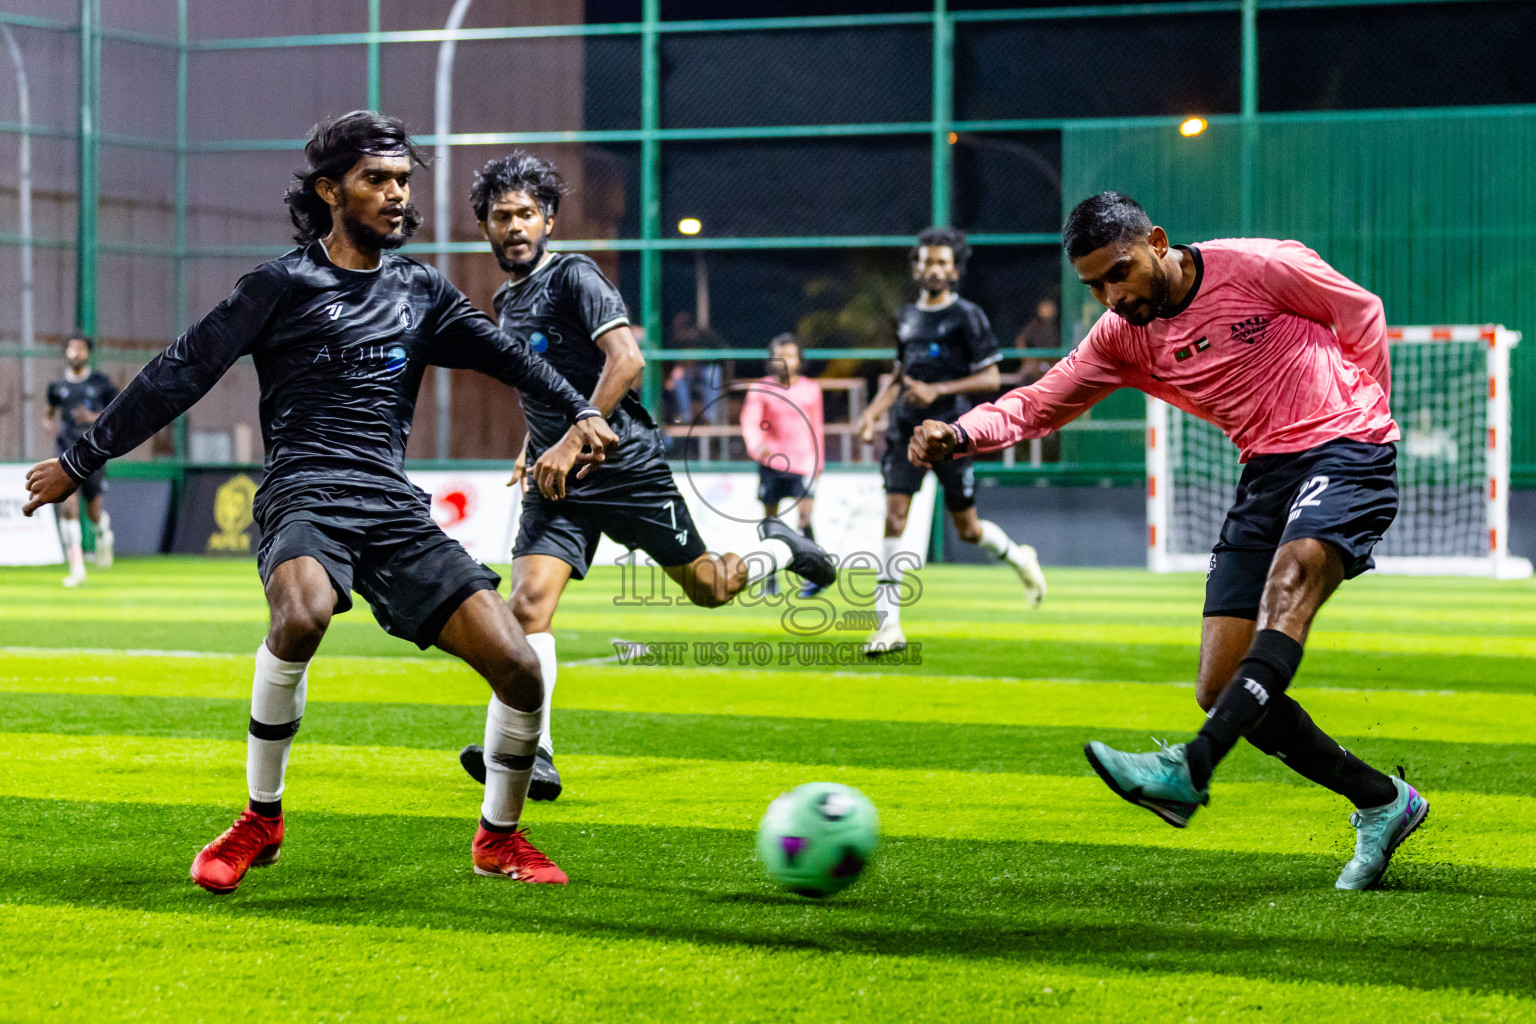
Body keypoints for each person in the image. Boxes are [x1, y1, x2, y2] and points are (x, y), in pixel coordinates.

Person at [22, 111, 620, 892]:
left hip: (390, 505)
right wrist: (81, 457)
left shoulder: (422, 292)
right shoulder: (279, 286)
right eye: (379, 179)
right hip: (304, 491)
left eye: (405, 180)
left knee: (517, 665)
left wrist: (580, 411)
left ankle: (499, 838)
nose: (398, 195)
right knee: (300, 611)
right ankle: (260, 818)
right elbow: (180, 371)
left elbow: (509, 358)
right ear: (332, 190)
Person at [909, 191, 1425, 890]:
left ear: (1157, 241)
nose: (1111, 295)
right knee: (1219, 685)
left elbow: (1359, 311)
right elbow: (1038, 403)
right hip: (1265, 473)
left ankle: (1191, 768)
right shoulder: (1121, 337)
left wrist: (1367, 415)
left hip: (1347, 447)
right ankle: (1381, 801)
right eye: (1094, 284)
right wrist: (962, 433)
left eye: (1120, 272)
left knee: (1289, 585)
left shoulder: (1261, 265)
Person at [455, 152, 836, 799]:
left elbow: (626, 362)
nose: (514, 225)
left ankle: (781, 550)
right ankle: (534, 752)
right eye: (501, 217)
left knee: (710, 588)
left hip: (624, 466)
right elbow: (545, 385)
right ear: (486, 227)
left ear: (548, 218)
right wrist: (533, 443)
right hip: (558, 480)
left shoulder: (574, 275)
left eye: (525, 213)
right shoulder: (505, 299)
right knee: (527, 606)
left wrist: (574, 436)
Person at [855, 226, 1047, 655]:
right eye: (926, 261)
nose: (933, 268)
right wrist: (872, 410)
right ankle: (887, 626)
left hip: (951, 434)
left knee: (968, 529)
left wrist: (937, 392)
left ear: (955, 270)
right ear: (917, 267)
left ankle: (1020, 558)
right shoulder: (905, 317)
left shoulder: (968, 317)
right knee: (895, 517)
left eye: (942, 262)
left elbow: (992, 376)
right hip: (905, 432)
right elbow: (900, 373)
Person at [740, 333, 825, 596]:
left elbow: (816, 428)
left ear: (800, 359)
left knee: (806, 518)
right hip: (772, 463)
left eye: (791, 355)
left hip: (803, 463)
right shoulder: (760, 388)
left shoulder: (811, 390)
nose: (786, 360)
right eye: (781, 356)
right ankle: (770, 579)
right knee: (771, 521)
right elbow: (750, 421)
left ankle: (813, 578)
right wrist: (756, 445)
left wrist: (818, 463)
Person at [44, 334, 118, 585]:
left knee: (94, 511)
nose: (75, 353)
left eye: (80, 349)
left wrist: (92, 417)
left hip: (93, 451)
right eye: (71, 348)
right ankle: (77, 569)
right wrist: (49, 421)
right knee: (67, 506)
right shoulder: (56, 386)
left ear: (88, 353)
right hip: (65, 451)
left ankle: (102, 533)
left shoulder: (101, 384)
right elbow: (50, 411)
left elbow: (116, 411)